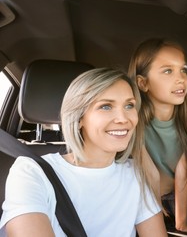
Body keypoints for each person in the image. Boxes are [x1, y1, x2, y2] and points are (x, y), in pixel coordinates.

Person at [0, 68, 167, 237]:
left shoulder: (136, 175)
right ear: (79, 118)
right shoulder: (31, 171)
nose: (123, 118)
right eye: (106, 106)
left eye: (129, 105)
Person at [128, 38, 187, 236]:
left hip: (181, 198)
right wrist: (155, 215)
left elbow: (184, 170)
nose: (181, 79)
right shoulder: (133, 122)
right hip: (144, 198)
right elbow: (148, 173)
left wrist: (181, 222)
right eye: (168, 71)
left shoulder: (186, 122)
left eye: (183, 70)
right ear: (143, 83)